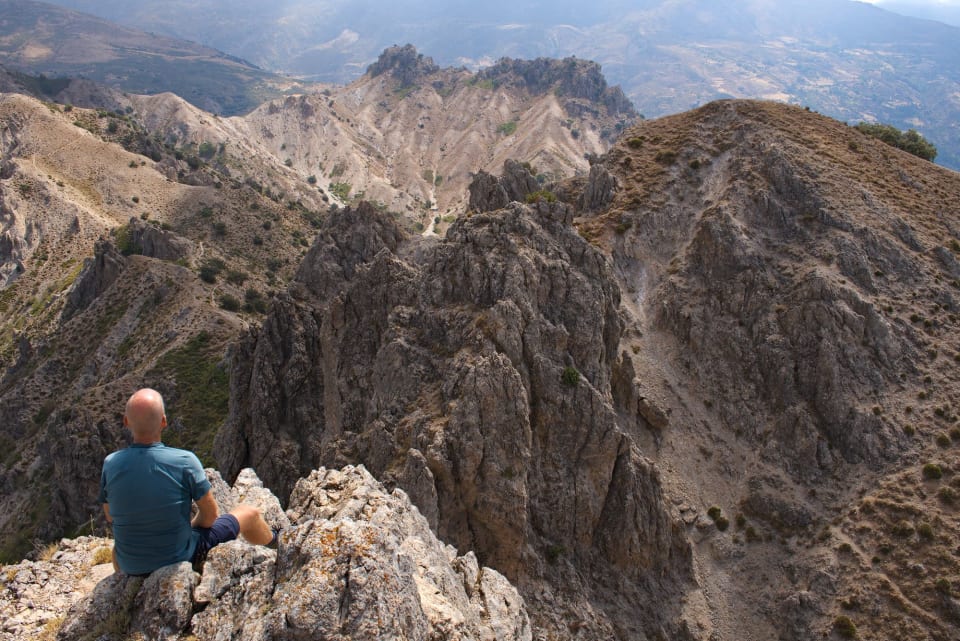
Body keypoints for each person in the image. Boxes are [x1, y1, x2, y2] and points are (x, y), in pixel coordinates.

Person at [99, 388, 276, 576]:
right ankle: (277, 549)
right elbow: (210, 517)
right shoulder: (185, 462)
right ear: (164, 421)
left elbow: (110, 515)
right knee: (250, 513)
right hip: (179, 559)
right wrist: (188, 528)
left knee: (118, 546)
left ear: (126, 422)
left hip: (129, 565)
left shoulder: (110, 464)